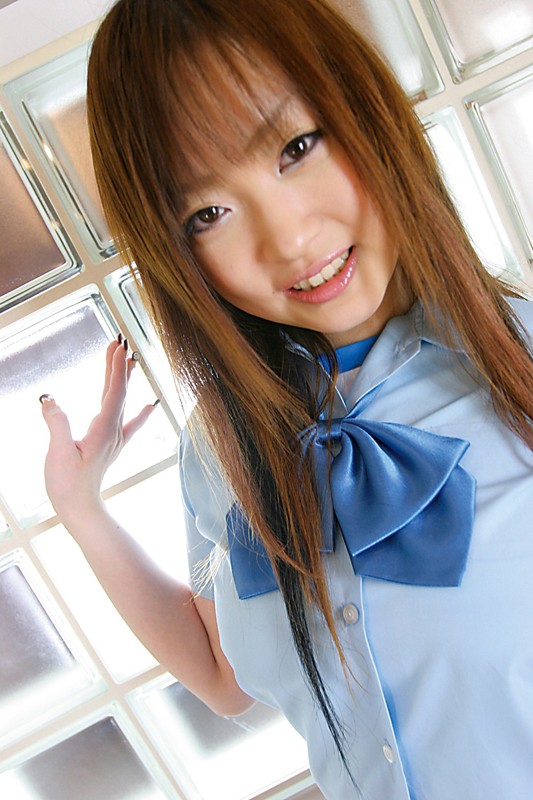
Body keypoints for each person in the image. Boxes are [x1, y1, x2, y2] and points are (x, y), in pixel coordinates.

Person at [40, 1, 533, 798]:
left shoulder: (520, 364)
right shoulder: (217, 448)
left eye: (296, 148)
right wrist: (81, 509)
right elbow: (220, 675)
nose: (290, 239)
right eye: (208, 213)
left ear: (363, 107)